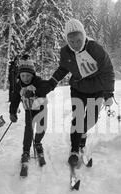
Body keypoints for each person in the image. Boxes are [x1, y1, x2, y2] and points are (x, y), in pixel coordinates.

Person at [47, 19, 115, 168]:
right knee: (78, 119)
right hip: (78, 88)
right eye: (71, 42)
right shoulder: (65, 51)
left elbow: (107, 70)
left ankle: (81, 139)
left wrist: (108, 93)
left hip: (97, 89)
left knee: (90, 120)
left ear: (84, 36)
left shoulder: (95, 49)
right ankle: (74, 149)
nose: (75, 45)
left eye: (78, 40)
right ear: (67, 40)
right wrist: (52, 82)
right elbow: (63, 68)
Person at [9, 58, 53, 165]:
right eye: (23, 75)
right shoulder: (19, 85)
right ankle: (26, 150)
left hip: (41, 108)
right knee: (28, 129)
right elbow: (15, 100)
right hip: (29, 110)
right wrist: (12, 112)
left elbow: (44, 90)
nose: (25, 78)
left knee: (41, 128)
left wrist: (34, 93)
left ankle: (37, 142)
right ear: (20, 76)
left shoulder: (38, 81)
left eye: (28, 75)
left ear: (33, 74)